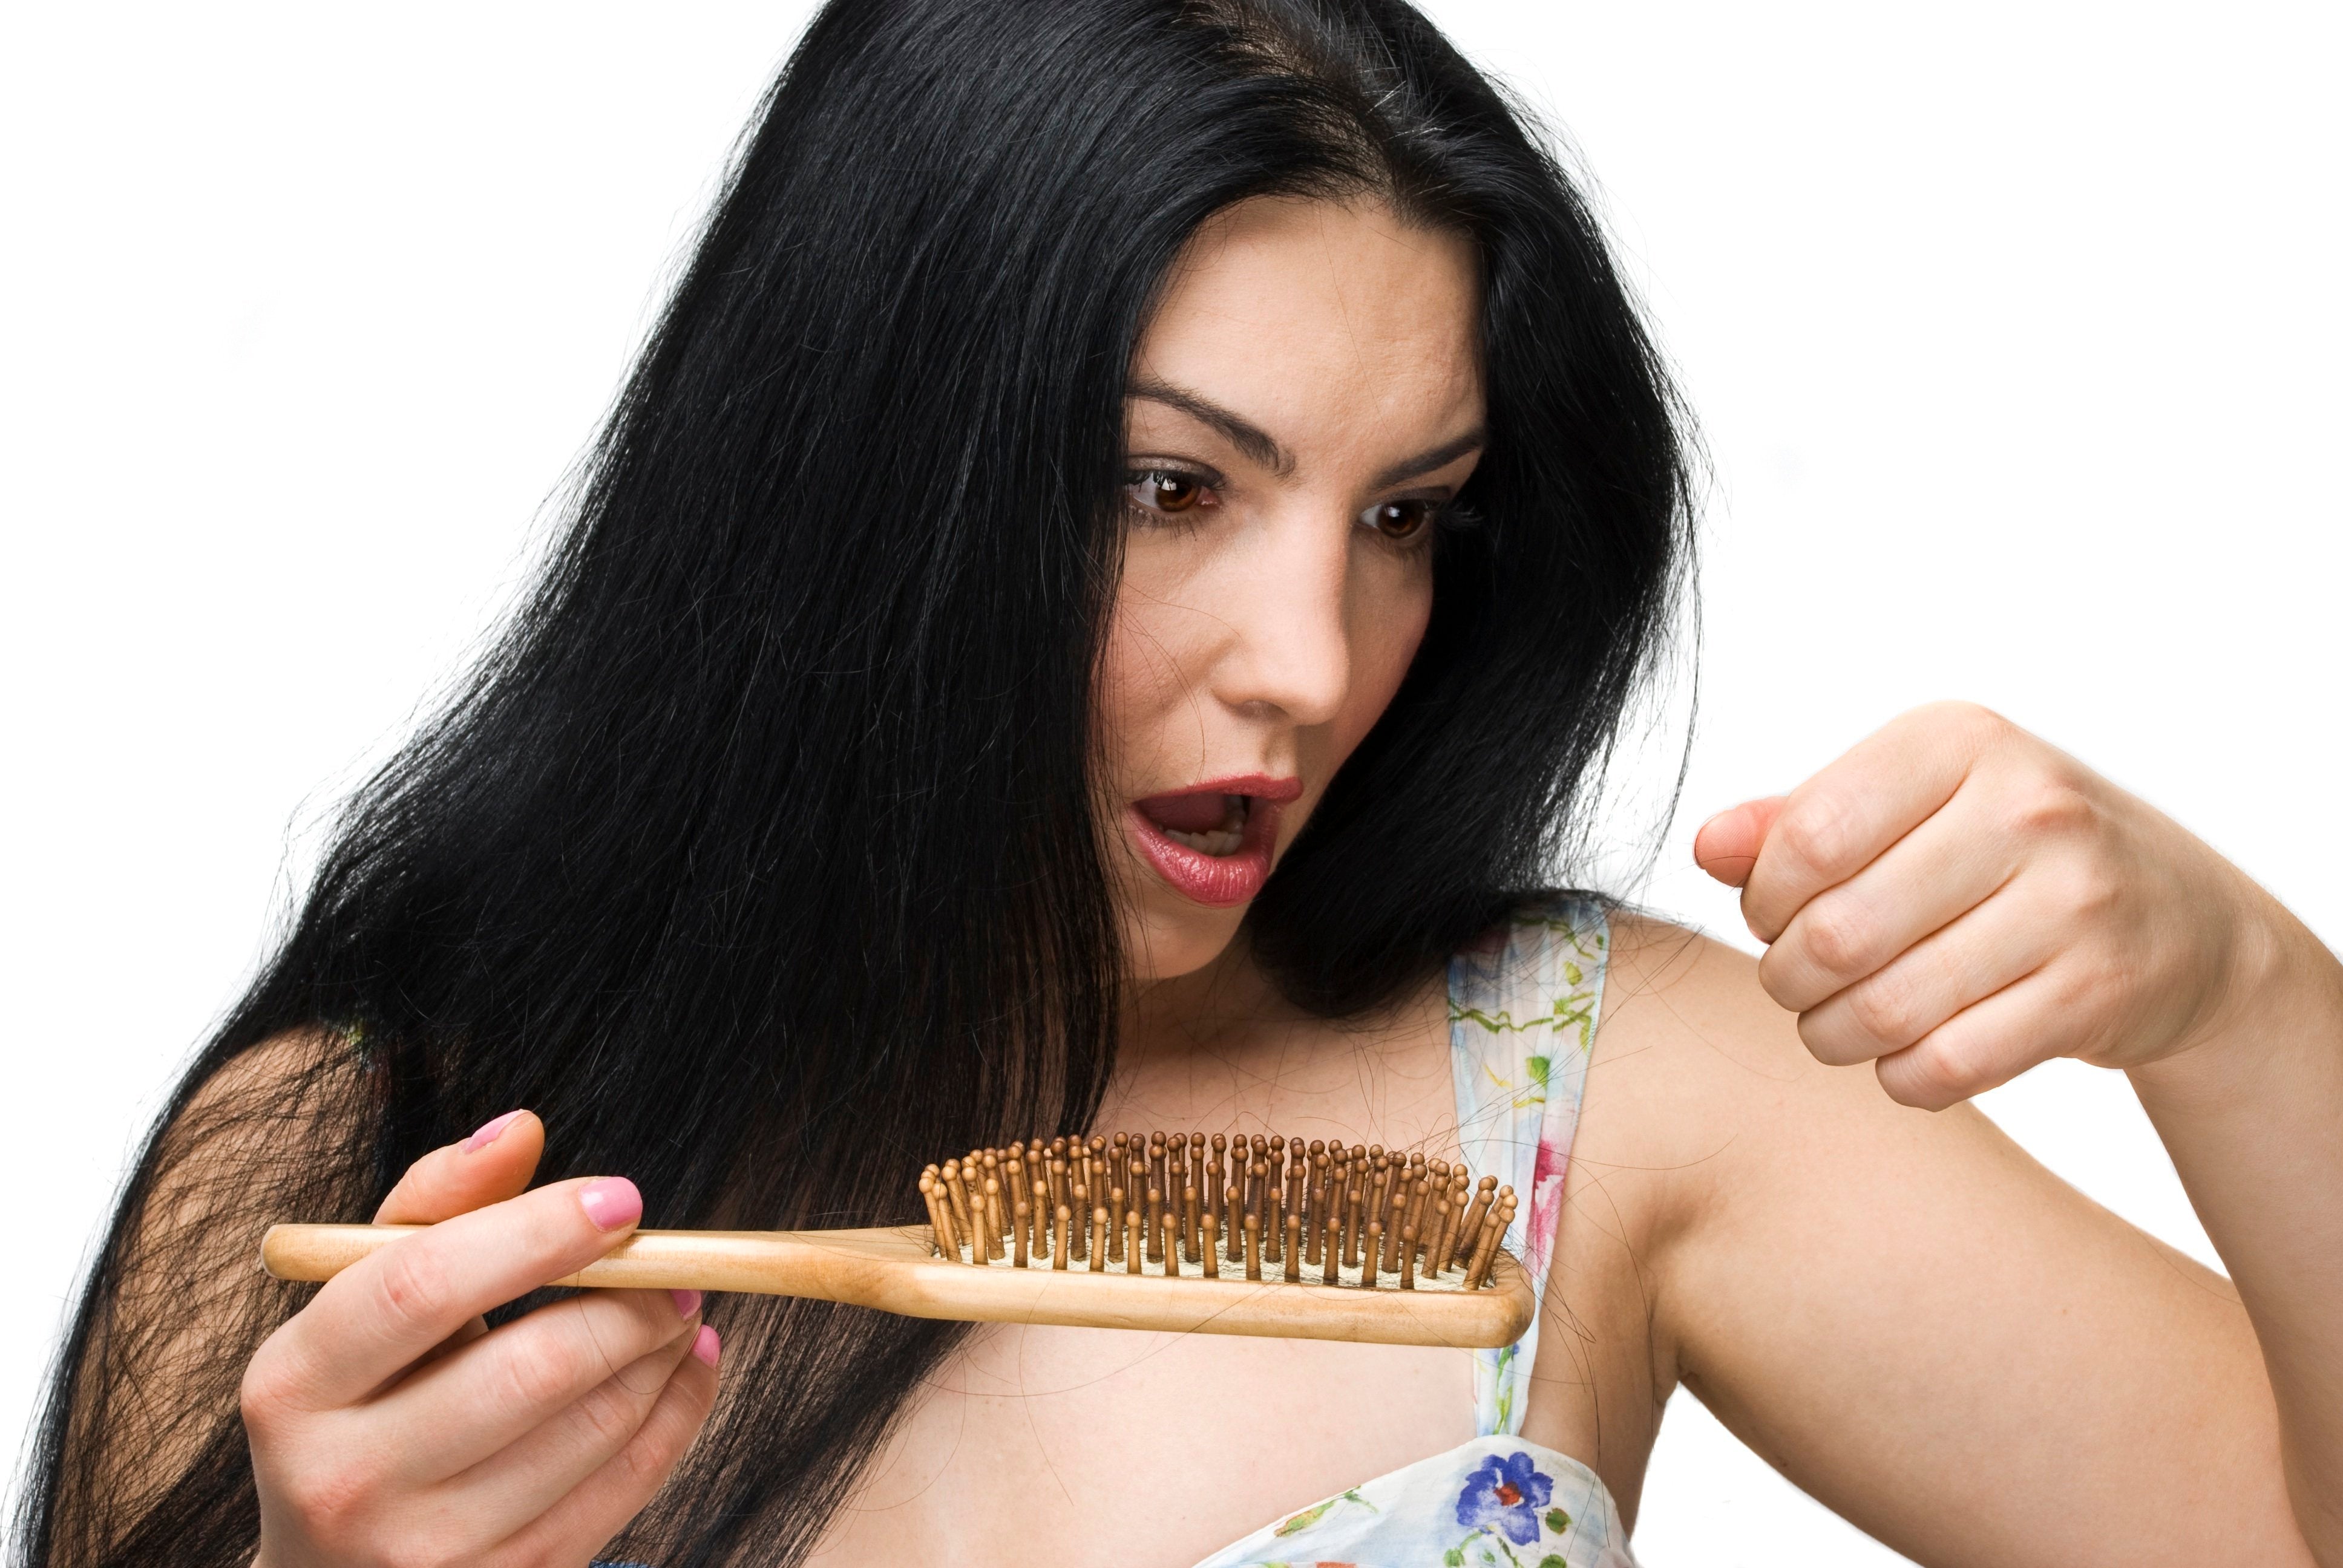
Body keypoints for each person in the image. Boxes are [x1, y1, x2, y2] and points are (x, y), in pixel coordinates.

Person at [21, 1, 2341, 1564]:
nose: (1318, 664)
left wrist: (2242, 1001)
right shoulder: (344, 1177)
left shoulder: (1592, 1096)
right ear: (861, 474)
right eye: (1168, 490)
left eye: (1406, 515)